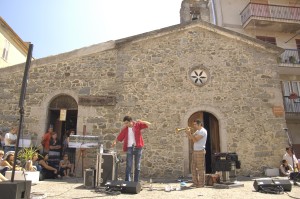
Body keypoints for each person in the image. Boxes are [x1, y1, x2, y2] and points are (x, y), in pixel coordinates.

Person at [111, 116, 151, 182]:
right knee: (128, 165)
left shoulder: (137, 125)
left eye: (126, 123)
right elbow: (119, 137)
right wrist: (115, 142)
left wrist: (142, 121)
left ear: (130, 121)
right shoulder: (125, 129)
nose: (125, 124)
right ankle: (128, 182)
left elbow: (149, 124)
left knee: (137, 166)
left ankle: (136, 182)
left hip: (138, 147)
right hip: (129, 148)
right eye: (125, 123)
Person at [185, 119, 207, 188]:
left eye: (195, 124)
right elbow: (190, 138)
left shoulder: (203, 131)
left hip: (200, 151)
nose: (193, 126)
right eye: (194, 124)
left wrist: (190, 134)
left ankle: (201, 184)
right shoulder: (197, 131)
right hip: (195, 151)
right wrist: (188, 133)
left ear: (199, 124)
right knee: (193, 168)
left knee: (200, 168)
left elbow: (195, 140)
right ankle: (195, 183)